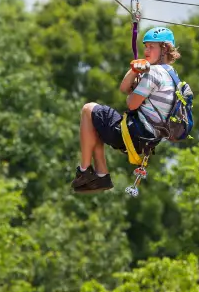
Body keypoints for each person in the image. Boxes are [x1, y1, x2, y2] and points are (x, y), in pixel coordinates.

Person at [70, 26, 182, 194]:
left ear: (164, 49)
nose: (146, 50)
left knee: (88, 109)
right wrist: (135, 70)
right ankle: (101, 176)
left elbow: (131, 103)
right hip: (146, 140)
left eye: (151, 47)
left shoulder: (155, 73)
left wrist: (134, 92)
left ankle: (84, 171)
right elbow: (124, 88)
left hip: (134, 133)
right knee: (95, 125)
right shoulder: (172, 75)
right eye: (145, 46)